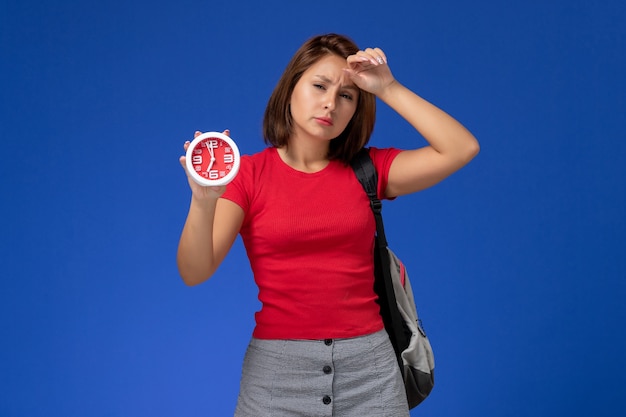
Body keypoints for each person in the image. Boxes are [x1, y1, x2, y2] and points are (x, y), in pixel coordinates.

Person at [177, 33, 479, 416]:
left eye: (346, 95)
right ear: (290, 89)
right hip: (276, 376)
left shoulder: (369, 170)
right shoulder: (248, 176)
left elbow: (461, 147)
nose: (330, 103)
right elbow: (194, 270)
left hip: (371, 372)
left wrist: (387, 87)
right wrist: (203, 201)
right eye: (319, 85)